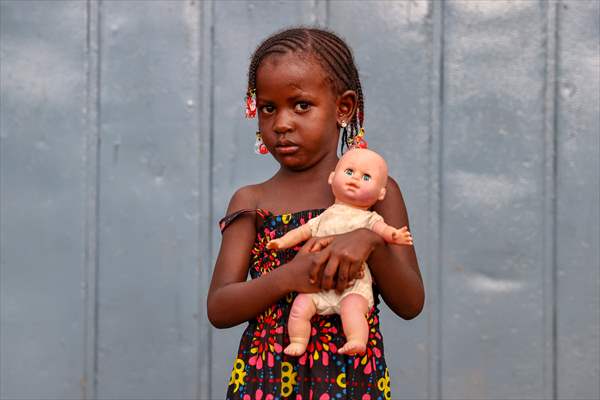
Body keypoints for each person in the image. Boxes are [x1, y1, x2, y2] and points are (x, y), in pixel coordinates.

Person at [207, 27, 424, 400]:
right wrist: (289, 276)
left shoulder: (375, 197)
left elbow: (410, 303)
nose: (282, 124)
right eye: (268, 108)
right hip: (265, 384)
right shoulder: (251, 199)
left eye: (301, 105)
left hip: (352, 382)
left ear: (343, 108)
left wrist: (370, 238)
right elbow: (220, 307)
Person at [267, 148, 414, 357]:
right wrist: (281, 242)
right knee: (300, 308)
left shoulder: (369, 219)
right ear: (332, 178)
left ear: (381, 193)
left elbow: (382, 230)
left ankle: (356, 340)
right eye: (349, 172)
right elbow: (302, 232)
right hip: (317, 289)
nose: (355, 179)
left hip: (353, 287)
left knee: (352, 310)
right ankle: (299, 340)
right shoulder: (326, 216)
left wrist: (394, 236)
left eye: (365, 177)